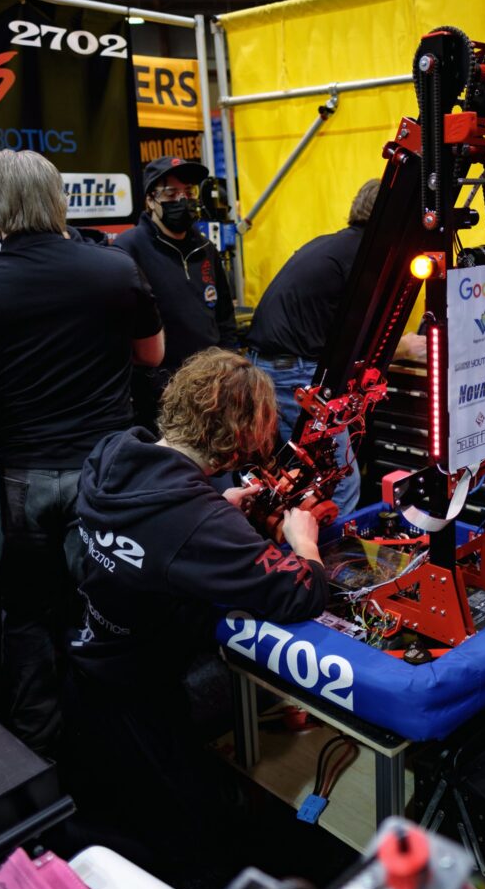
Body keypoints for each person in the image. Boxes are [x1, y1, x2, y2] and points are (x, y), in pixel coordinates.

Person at [63, 347, 328, 857]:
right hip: (136, 695)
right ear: (242, 438)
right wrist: (305, 542)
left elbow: (156, 534)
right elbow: (303, 592)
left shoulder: (114, 451)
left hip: (84, 665)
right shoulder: (198, 522)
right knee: (196, 839)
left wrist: (212, 508)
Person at [0, 149, 163, 754]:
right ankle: (116, 737)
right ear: (60, 201)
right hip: (103, 469)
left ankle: (36, 745)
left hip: (21, 473)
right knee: (107, 603)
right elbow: (151, 355)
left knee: (25, 612)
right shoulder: (114, 269)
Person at [246, 178, 426, 515]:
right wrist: (404, 348)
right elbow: (363, 335)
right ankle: (327, 548)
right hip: (293, 374)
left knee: (298, 475)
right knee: (338, 480)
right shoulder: (367, 257)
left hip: (274, 367)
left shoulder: (334, 245)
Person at [115, 155, 239, 431]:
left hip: (211, 388)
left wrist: (229, 367)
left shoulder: (205, 248)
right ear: (151, 200)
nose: (183, 200)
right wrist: (149, 382)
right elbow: (121, 329)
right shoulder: (128, 249)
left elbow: (224, 317)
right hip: (159, 394)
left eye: (189, 193)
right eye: (171, 194)